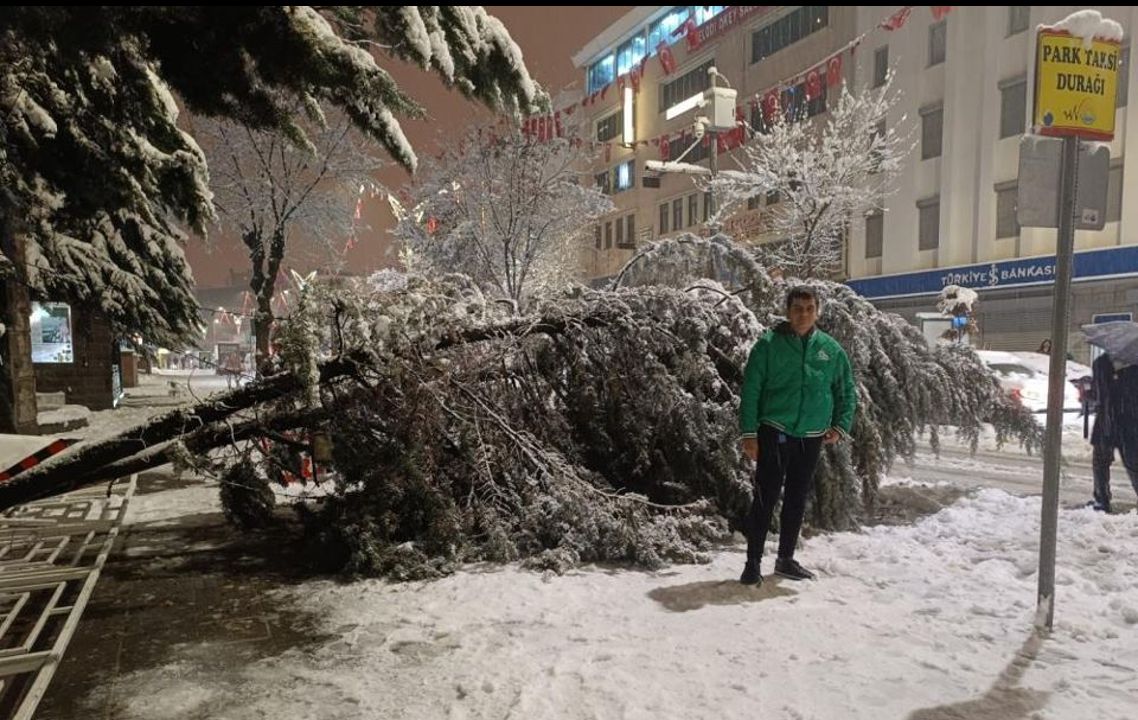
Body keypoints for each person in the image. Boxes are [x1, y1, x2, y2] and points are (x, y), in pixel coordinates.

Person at [738, 286, 857, 585]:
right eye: (797, 308)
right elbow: (751, 390)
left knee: (796, 498)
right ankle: (752, 563)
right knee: (765, 497)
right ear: (788, 311)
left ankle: (785, 559)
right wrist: (749, 434)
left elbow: (845, 390)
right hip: (775, 430)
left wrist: (840, 426)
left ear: (817, 311)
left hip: (811, 436)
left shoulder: (830, 349)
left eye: (809, 308)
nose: (803, 314)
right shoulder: (768, 345)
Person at [1088, 351, 1138, 513]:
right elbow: (1098, 393)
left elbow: (1097, 393)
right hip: (1118, 422)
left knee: (1108, 463)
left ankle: (1101, 499)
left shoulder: (1101, 363)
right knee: (1105, 462)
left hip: (1116, 422)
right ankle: (1101, 498)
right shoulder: (1102, 364)